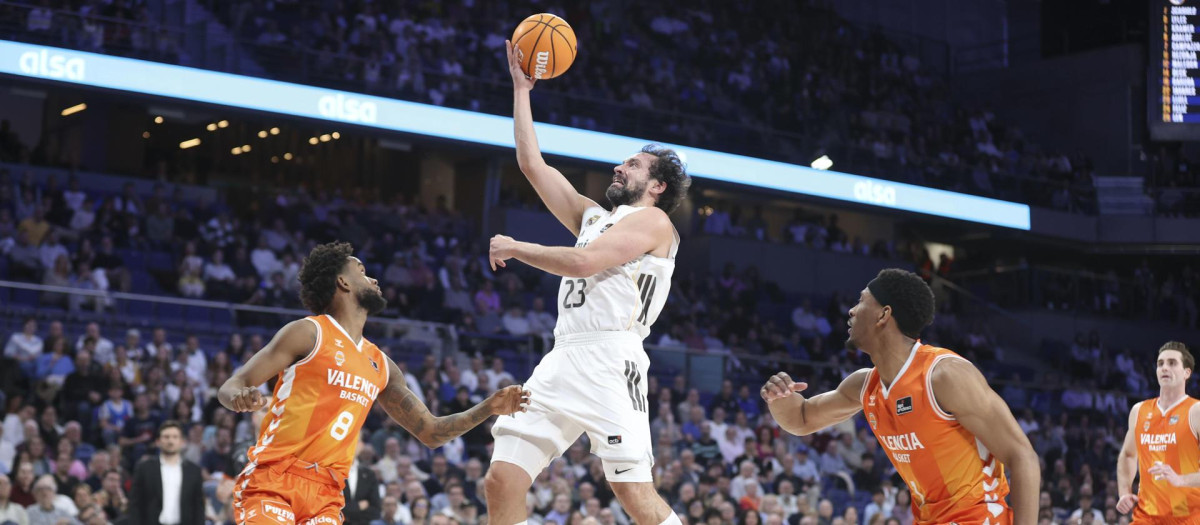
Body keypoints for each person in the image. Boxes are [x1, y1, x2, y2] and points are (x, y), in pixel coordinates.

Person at [483, 40, 692, 525]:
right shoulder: (593, 216)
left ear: (657, 186)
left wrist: (519, 248)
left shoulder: (654, 224)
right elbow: (532, 166)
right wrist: (521, 90)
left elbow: (584, 264)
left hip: (610, 360)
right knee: (502, 479)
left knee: (633, 494)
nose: (620, 166)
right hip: (563, 356)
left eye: (634, 165)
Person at [218, 241, 529, 525]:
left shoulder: (381, 365)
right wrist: (239, 397)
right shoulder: (308, 333)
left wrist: (490, 407)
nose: (374, 280)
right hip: (275, 479)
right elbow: (232, 384)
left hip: (326, 495)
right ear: (342, 282)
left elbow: (432, 433)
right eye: (363, 272)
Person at [760, 269, 1039, 524]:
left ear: (883, 315)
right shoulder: (864, 385)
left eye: (861, 301)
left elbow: (1022, 455)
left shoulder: (943, 375)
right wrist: (779, 397)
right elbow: (802, 418)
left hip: (976, 516)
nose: (851, 310)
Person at [1115, 341, 1200, 520]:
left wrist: (1181, 479)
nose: (1164, 368)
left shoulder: (1195, 411)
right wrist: (1124, 492)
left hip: (1188, 517)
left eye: (1172, 363)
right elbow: (1128, 455)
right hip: (1146, 516)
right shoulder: (1139, 410)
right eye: (1160, 363)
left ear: (1187, 373)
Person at [127, 420, 203, 525]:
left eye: (175, 437)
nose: (170, 441)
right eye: (166, 437)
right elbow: (135, 504)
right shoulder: (144, 468)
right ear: (158, 441)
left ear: (182, 442)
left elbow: (198, 506)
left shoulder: (193, 470)